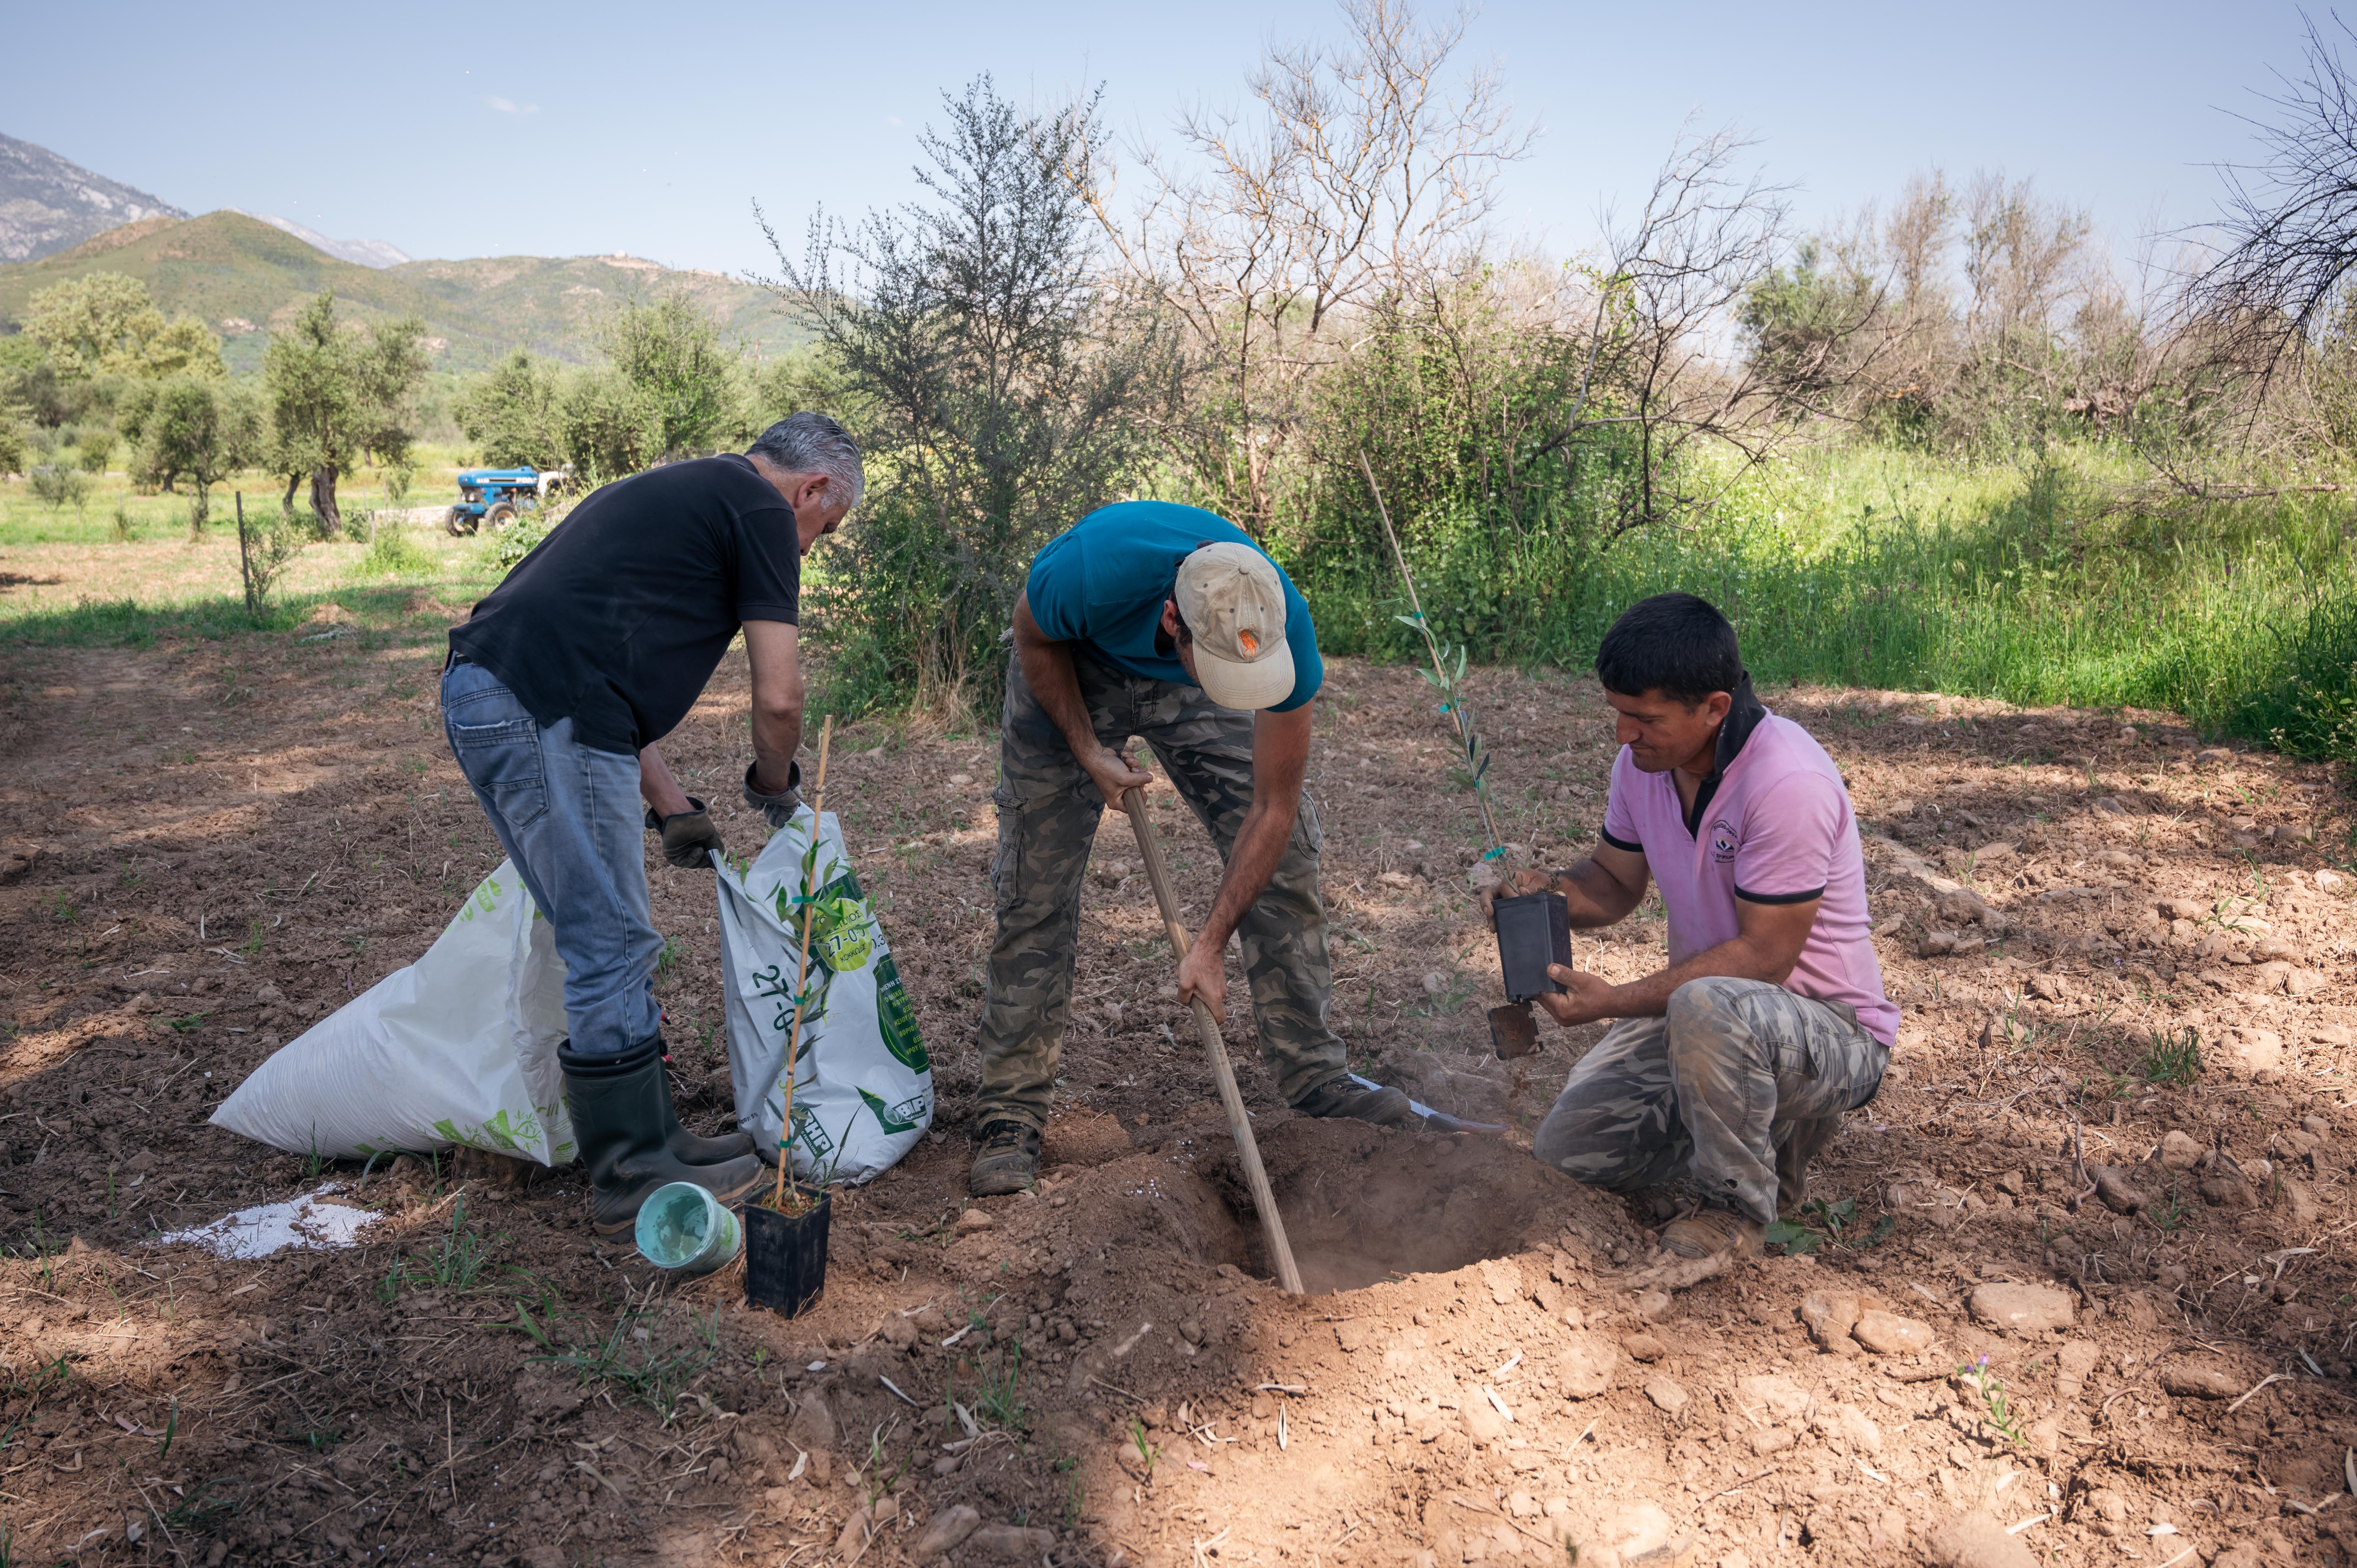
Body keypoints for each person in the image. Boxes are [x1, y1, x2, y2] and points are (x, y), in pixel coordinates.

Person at [439, 413, 864, 1239]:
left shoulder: (695, 488)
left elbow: (605, 657)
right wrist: (772, 786)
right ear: (812, 490)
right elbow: (780, 696)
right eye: (828, 527)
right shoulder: (764, 512)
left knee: (612, 933)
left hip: (515, 693)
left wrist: (671, 804)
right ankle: (630, 1171)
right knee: (607, 939)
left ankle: (659, 1137)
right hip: (542, 705)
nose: (811, 547)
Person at [970, 500, 1420, 1195]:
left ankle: (1315, 1074)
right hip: (1073, 659)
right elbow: (1033, 637)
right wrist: (1089, 750)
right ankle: (1010, 1109)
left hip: (1191, 677)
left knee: (1289, 857)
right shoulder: (1090, 570)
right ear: (1175, 620)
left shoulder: (1276, 627)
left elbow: (1273, 810)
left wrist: (1208, 943)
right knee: (1037, 884)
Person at [1482, 593, 1893, 1270]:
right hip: (1717, 1021)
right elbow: (1614, 885)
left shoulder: (1786, 781)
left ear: (1714, 709)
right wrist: (1542, 890)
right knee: (1568, 1152)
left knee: (1703, 1005)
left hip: (1831, 1031)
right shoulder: (1642, 768)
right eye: (1617, 712)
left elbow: (1764, 957)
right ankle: (1760, 1122)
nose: (1622, 734)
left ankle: (1736, 1210)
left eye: (1644, 719)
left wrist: (1612, 1001)